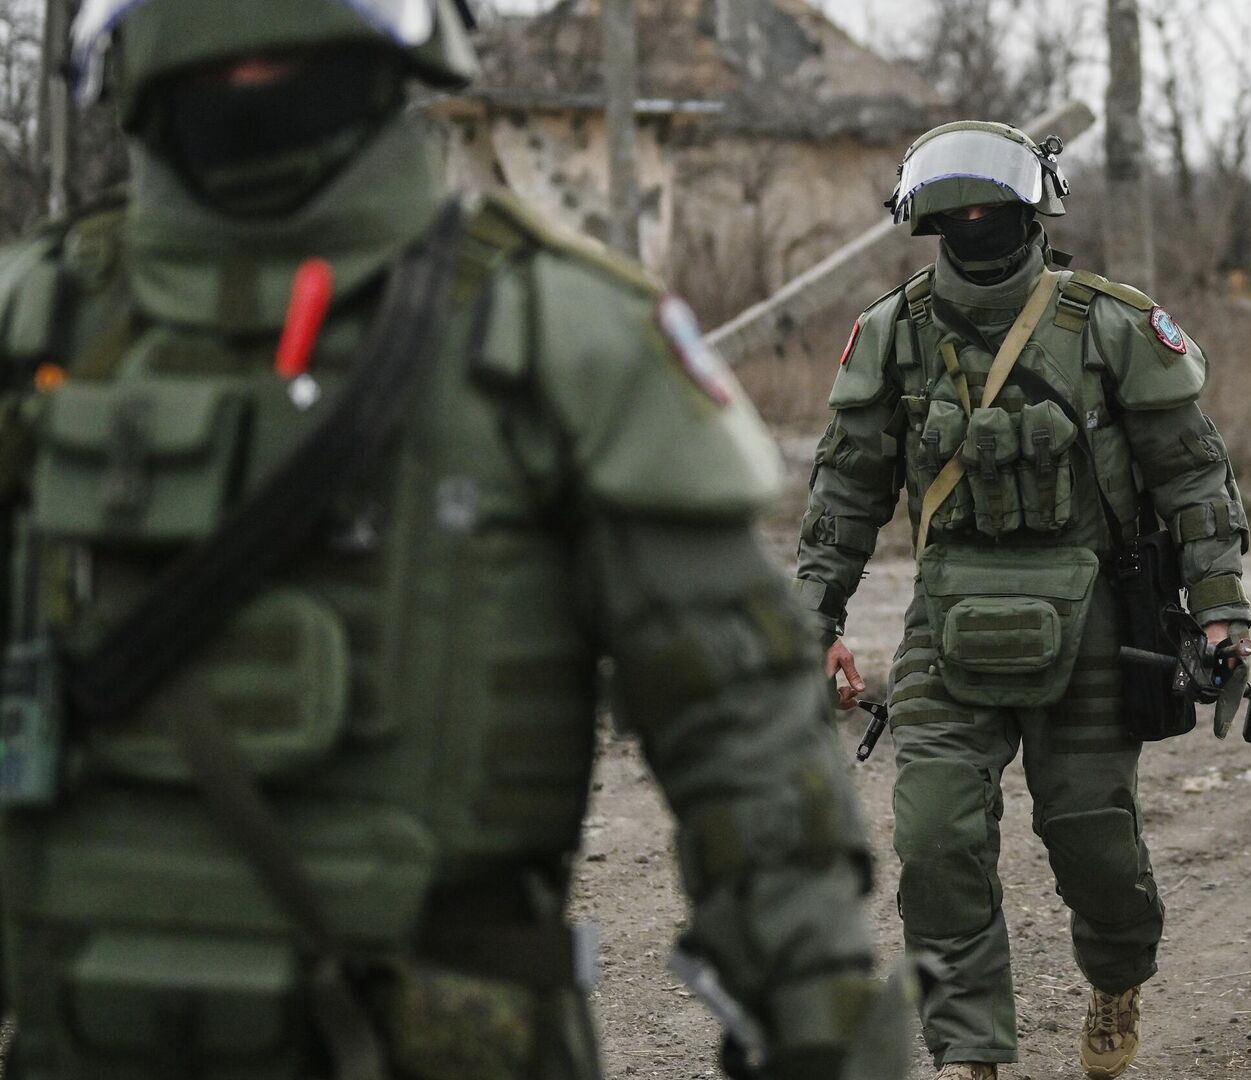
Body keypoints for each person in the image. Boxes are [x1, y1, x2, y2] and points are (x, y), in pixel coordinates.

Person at [0, 2, 909, 1078]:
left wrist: (815, 1014)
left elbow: (744, 733)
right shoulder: (36, 324)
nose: (248, 54)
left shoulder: (557, 338)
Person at [792, 121, 1251, 1079]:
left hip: (1094, 630)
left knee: (1096, 852)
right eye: (953, 213)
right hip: (946, 630)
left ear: (1031, 208)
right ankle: (971, 1057)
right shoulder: (895, 334)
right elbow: (845, 491)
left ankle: (1118, 975)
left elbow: (1192, 478)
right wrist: (815, 621)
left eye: (988, 209)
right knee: (934, 842)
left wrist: (1220, 612)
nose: (973, 226)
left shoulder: (1111, 325)